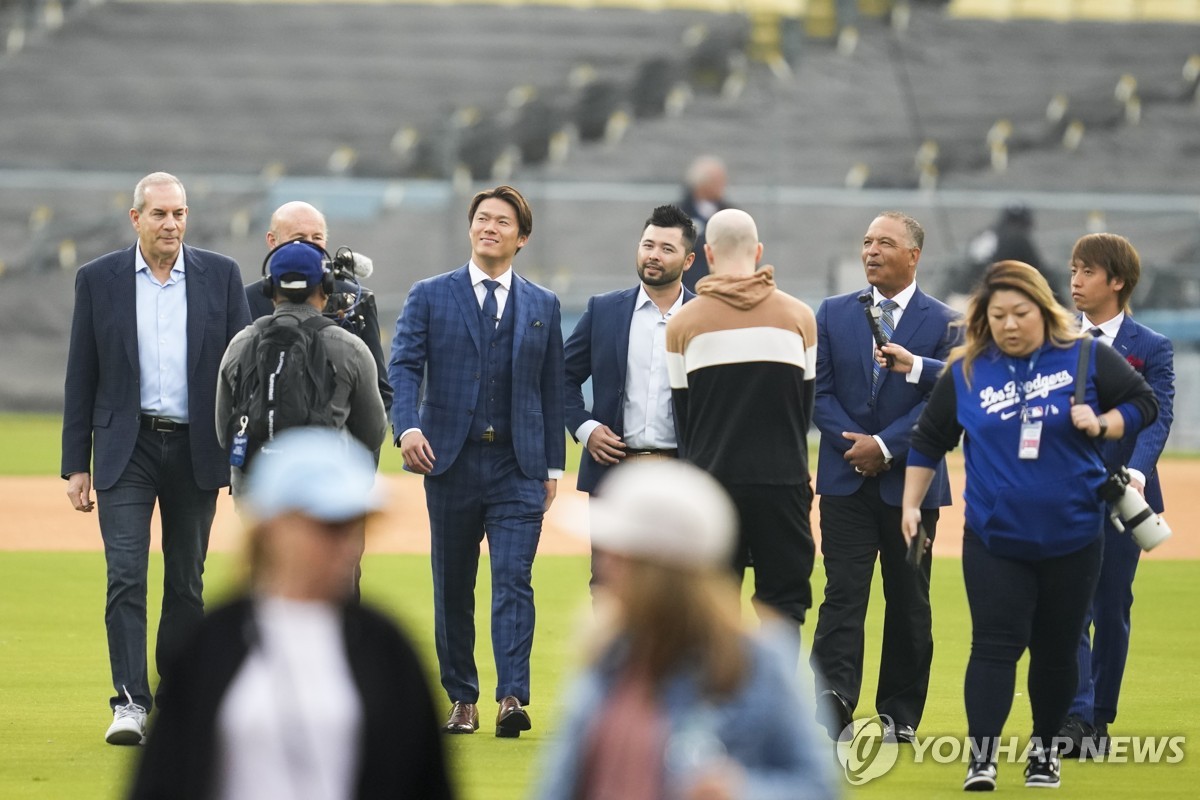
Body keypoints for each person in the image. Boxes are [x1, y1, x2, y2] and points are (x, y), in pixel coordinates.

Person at [902, 260, 1158, 790]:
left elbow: (1144, 401)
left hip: (1074, 535)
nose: (1010, 324)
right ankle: (983, 758)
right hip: (995, 537)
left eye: (1021, 313)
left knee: (1057, 647)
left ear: (1043, 310)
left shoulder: (1086, 356)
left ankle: (1044, 751)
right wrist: (910, 505)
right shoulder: (967, 370)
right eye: (998, 316)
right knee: (994, 644)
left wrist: (1106, 422)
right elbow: (929, 440)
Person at [128, 427, 454, 800]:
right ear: (273, 528)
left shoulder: (387, 649)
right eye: (328, 525)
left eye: (353, 524)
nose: (346, 542)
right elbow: (161, 781)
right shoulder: (210, 645)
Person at [61, 171, 251, 745]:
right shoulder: (99, 280)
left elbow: (240, 372)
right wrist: (76, 463)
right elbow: (81, 374)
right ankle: (129, 703)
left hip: (197, 446)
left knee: (187, 582)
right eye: (160, 214)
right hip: (127, 445)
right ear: (135, 218)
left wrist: (243, 456)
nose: (171, 224)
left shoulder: (221, 276)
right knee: (125, 576)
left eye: (180, 214)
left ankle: (179, 698)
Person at [533, 460, 837, 800]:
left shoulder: (757, 664)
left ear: (661, 573)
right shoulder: (609, 659)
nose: (604, 568)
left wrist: (736, 791)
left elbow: (817, 788)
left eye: (621, 557)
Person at [388, 185, 565, 737]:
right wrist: (408, 427)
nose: (490, 226)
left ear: (522, 237)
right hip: (450, 462)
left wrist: (553, 468)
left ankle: (511, 697)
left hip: (519, 465)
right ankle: (462, 699)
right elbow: (403, 366)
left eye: (503, 221)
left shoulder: (543, 304)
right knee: (453, 584)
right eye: (482, 218)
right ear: (471, 229)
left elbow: (551, 386)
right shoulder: (429, 294)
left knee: (514, 579)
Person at [809, 211, 958, 744]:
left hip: (913, 488)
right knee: (843, 594)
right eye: (867, 242)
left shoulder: (947, 323)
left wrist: (887, 447)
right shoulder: (830, 313)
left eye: (885, 243)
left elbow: (945, 399)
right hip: (845, 482)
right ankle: (834, 706)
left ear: (913, 255)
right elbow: (818, 393)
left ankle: (900, 714)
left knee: (909, 600)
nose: (871, 251)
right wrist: (858, 446)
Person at [665, 208, 817, 650]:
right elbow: (802, 412)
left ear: (707, 253)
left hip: (711, 484)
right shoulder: (800, 318)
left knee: (713, 604)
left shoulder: (682, 325)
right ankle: (774, 710)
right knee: (783, 604)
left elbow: (684, 416)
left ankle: (716, 709)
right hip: (784, 482)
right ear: (759, 252)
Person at [1059, 233, 1175, 758]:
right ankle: (1077, 718)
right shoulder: (1055, 339)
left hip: (1125, 500)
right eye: (1073, 271)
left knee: (1111, 608)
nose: (1075, 282)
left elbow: (1158, 415)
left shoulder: (1151, 347)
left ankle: (1100, 718)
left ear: (1117, 281)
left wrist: (1137, 473)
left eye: (1086, 272)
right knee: (1070, 608)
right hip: (1063, 498)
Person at [563, 204, 696, 587]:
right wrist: (586, 428)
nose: (653, 255)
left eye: (666, 249)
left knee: (677, 589)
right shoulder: (604, 310)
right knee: (609, 585)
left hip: (683, 473)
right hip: (614, 473)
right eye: (647, 244)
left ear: (688, 261)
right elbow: (562, 378)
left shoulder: (705, 317)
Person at [216, 240, 387, 493]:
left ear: (269, 289)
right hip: (326, 496)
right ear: (326, 287)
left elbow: (224, 433)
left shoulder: (240, 344)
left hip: (257, 496)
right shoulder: (351, 349)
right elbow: (373, 435)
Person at [244, 201, 392, 416]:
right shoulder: (245, 300)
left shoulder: (356, 300)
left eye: (317, 238)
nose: (310, 246)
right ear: (272, 241)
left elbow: (380, 393)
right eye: (299, 238)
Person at [678, 155, 731, 293]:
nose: (722, 185)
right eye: (716, 180)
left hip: (725, 291)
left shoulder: (731, 213)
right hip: (690, 290)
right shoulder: (679, 215)